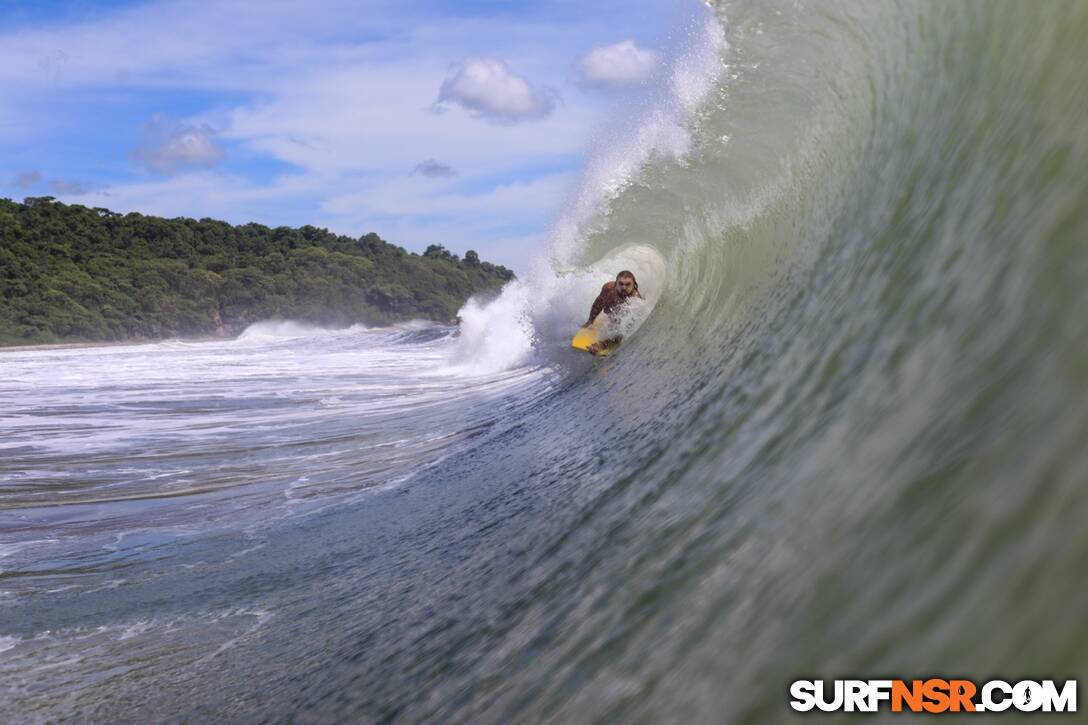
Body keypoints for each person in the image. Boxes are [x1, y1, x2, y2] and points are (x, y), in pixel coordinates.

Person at [582, 270, 642, 353]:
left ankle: (601, 345)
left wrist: (602, 344)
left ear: (633, 284)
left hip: (623, 321)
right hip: (612, 314)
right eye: (621, 284)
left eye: (628, 284)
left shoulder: (635, 301)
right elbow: (598, 304)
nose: (624, 287)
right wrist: (590, 320)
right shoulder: (608, 288)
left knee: (619, 330)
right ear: (616, 283)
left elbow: (623, 330)